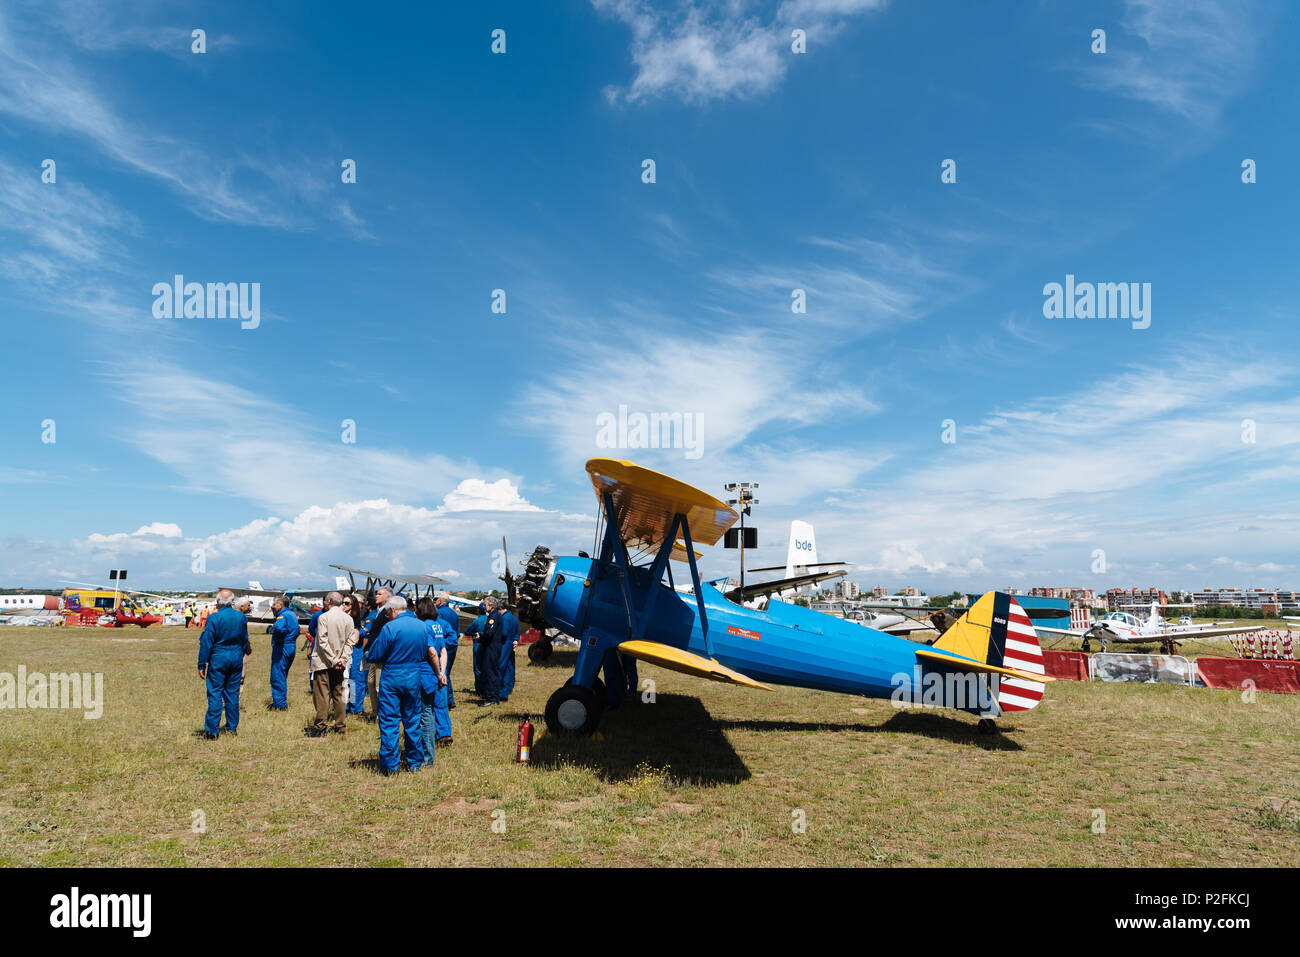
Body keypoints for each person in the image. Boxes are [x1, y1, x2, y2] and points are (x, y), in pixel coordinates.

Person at [364, 595, 427, 773]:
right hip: (414, 675)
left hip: (393, 676)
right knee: (413, 719)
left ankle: (391, 765)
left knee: (390, 721)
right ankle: (415, 762)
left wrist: (369, 654)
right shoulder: (422, 626)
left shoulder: (390, 627)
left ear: (392, 609)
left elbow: (375, 654)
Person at [197, 589, 252, 738]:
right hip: (236, 657)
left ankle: (212, 730)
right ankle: (232, 728)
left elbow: (207, 643)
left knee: (215, 693)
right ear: (232, 601)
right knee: (232, 693)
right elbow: (244, 639)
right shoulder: (241, 617)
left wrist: (202, 663)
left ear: (218, 601)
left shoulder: (214, 618)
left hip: (219, 657)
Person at [308, 592, 357, 736]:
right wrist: (342, 659)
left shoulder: (323, 617)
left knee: (322, 695)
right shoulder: (348, 619)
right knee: (339, 694)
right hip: (340, 663)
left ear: (328, 602)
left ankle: (320, 727)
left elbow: (322, 641)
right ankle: (340, 726)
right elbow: (350, 642)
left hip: (323, 662)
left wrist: (333, 660)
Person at [415, 597, 451, 763]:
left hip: (426, 673)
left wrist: (437, 673)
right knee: (433, 708)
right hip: (437, 673)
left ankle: (426, 755)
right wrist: (443, 672)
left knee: (425, 713)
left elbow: (432, 652)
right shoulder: (437, 625)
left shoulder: (423, 626)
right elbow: (443, 651)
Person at [362, 587, 392, 717]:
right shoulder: (378, 612)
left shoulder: (388, 613)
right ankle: (375, 712)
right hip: (373, 654)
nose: (376, 596)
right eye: (376, 594)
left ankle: (382, 715)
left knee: (379, 686)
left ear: (388, 597)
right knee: (370, 683)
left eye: (380, 594)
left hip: (381, 655)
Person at [268, 597, 300, 710]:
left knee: (277, 676)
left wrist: (276, 628)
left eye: (274, 604)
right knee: (282, 673)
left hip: (282, 647)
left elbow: (279, 628)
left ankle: (279, 705)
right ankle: (280, 701)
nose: (272, 606)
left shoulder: (282, 616)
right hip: (290, 646)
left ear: (280, 606)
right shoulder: (291, 614)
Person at [434, 592, 461, 709]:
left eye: (436, 599)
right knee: (447, 671)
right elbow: (457, 633)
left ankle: (449, 700)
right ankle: (450, 699)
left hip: (443, 645)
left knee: (443, 671)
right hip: (453, 645)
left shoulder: (439, 613)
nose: (435, 601)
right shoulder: (454, 614)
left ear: (441, 601)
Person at [344, 593, 367, 715]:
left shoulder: (357, 618)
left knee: (356, 681)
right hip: (353, 653)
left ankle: (354, 706)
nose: (362, 606)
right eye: (359, 603)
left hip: (357, 653)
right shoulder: (353, 619)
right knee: (351, 681)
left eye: (363, 603)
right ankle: (353, 707)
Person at [479, 597, 504, 706]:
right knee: (492, 671)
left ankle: (490, 697)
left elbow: (489, 633)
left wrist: (480, 635)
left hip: (491, 647)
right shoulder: (495, 615)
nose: (484, 607)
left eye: (485, 605)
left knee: (490, 672)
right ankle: (493, 696)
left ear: (491, 606)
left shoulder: (493, 616)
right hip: (494, 646)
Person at [496, 599, 520, 703]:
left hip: (504, 644)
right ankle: (508, 688)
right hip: (510, 644)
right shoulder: (514, 618)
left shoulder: (504, 618)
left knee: (500, 667)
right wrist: (516, 641)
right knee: (510, 668)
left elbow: (504, 633)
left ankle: (500, 692)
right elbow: (517, 632)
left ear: (501, 609)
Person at [465, 605, 488, 696]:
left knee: (478, 668)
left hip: (478, 646)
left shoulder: (476, 621)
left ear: (478, 610)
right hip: (488, 647)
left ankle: (479, 690)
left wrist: (475, 635)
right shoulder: (490, 619)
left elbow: (467, 632)